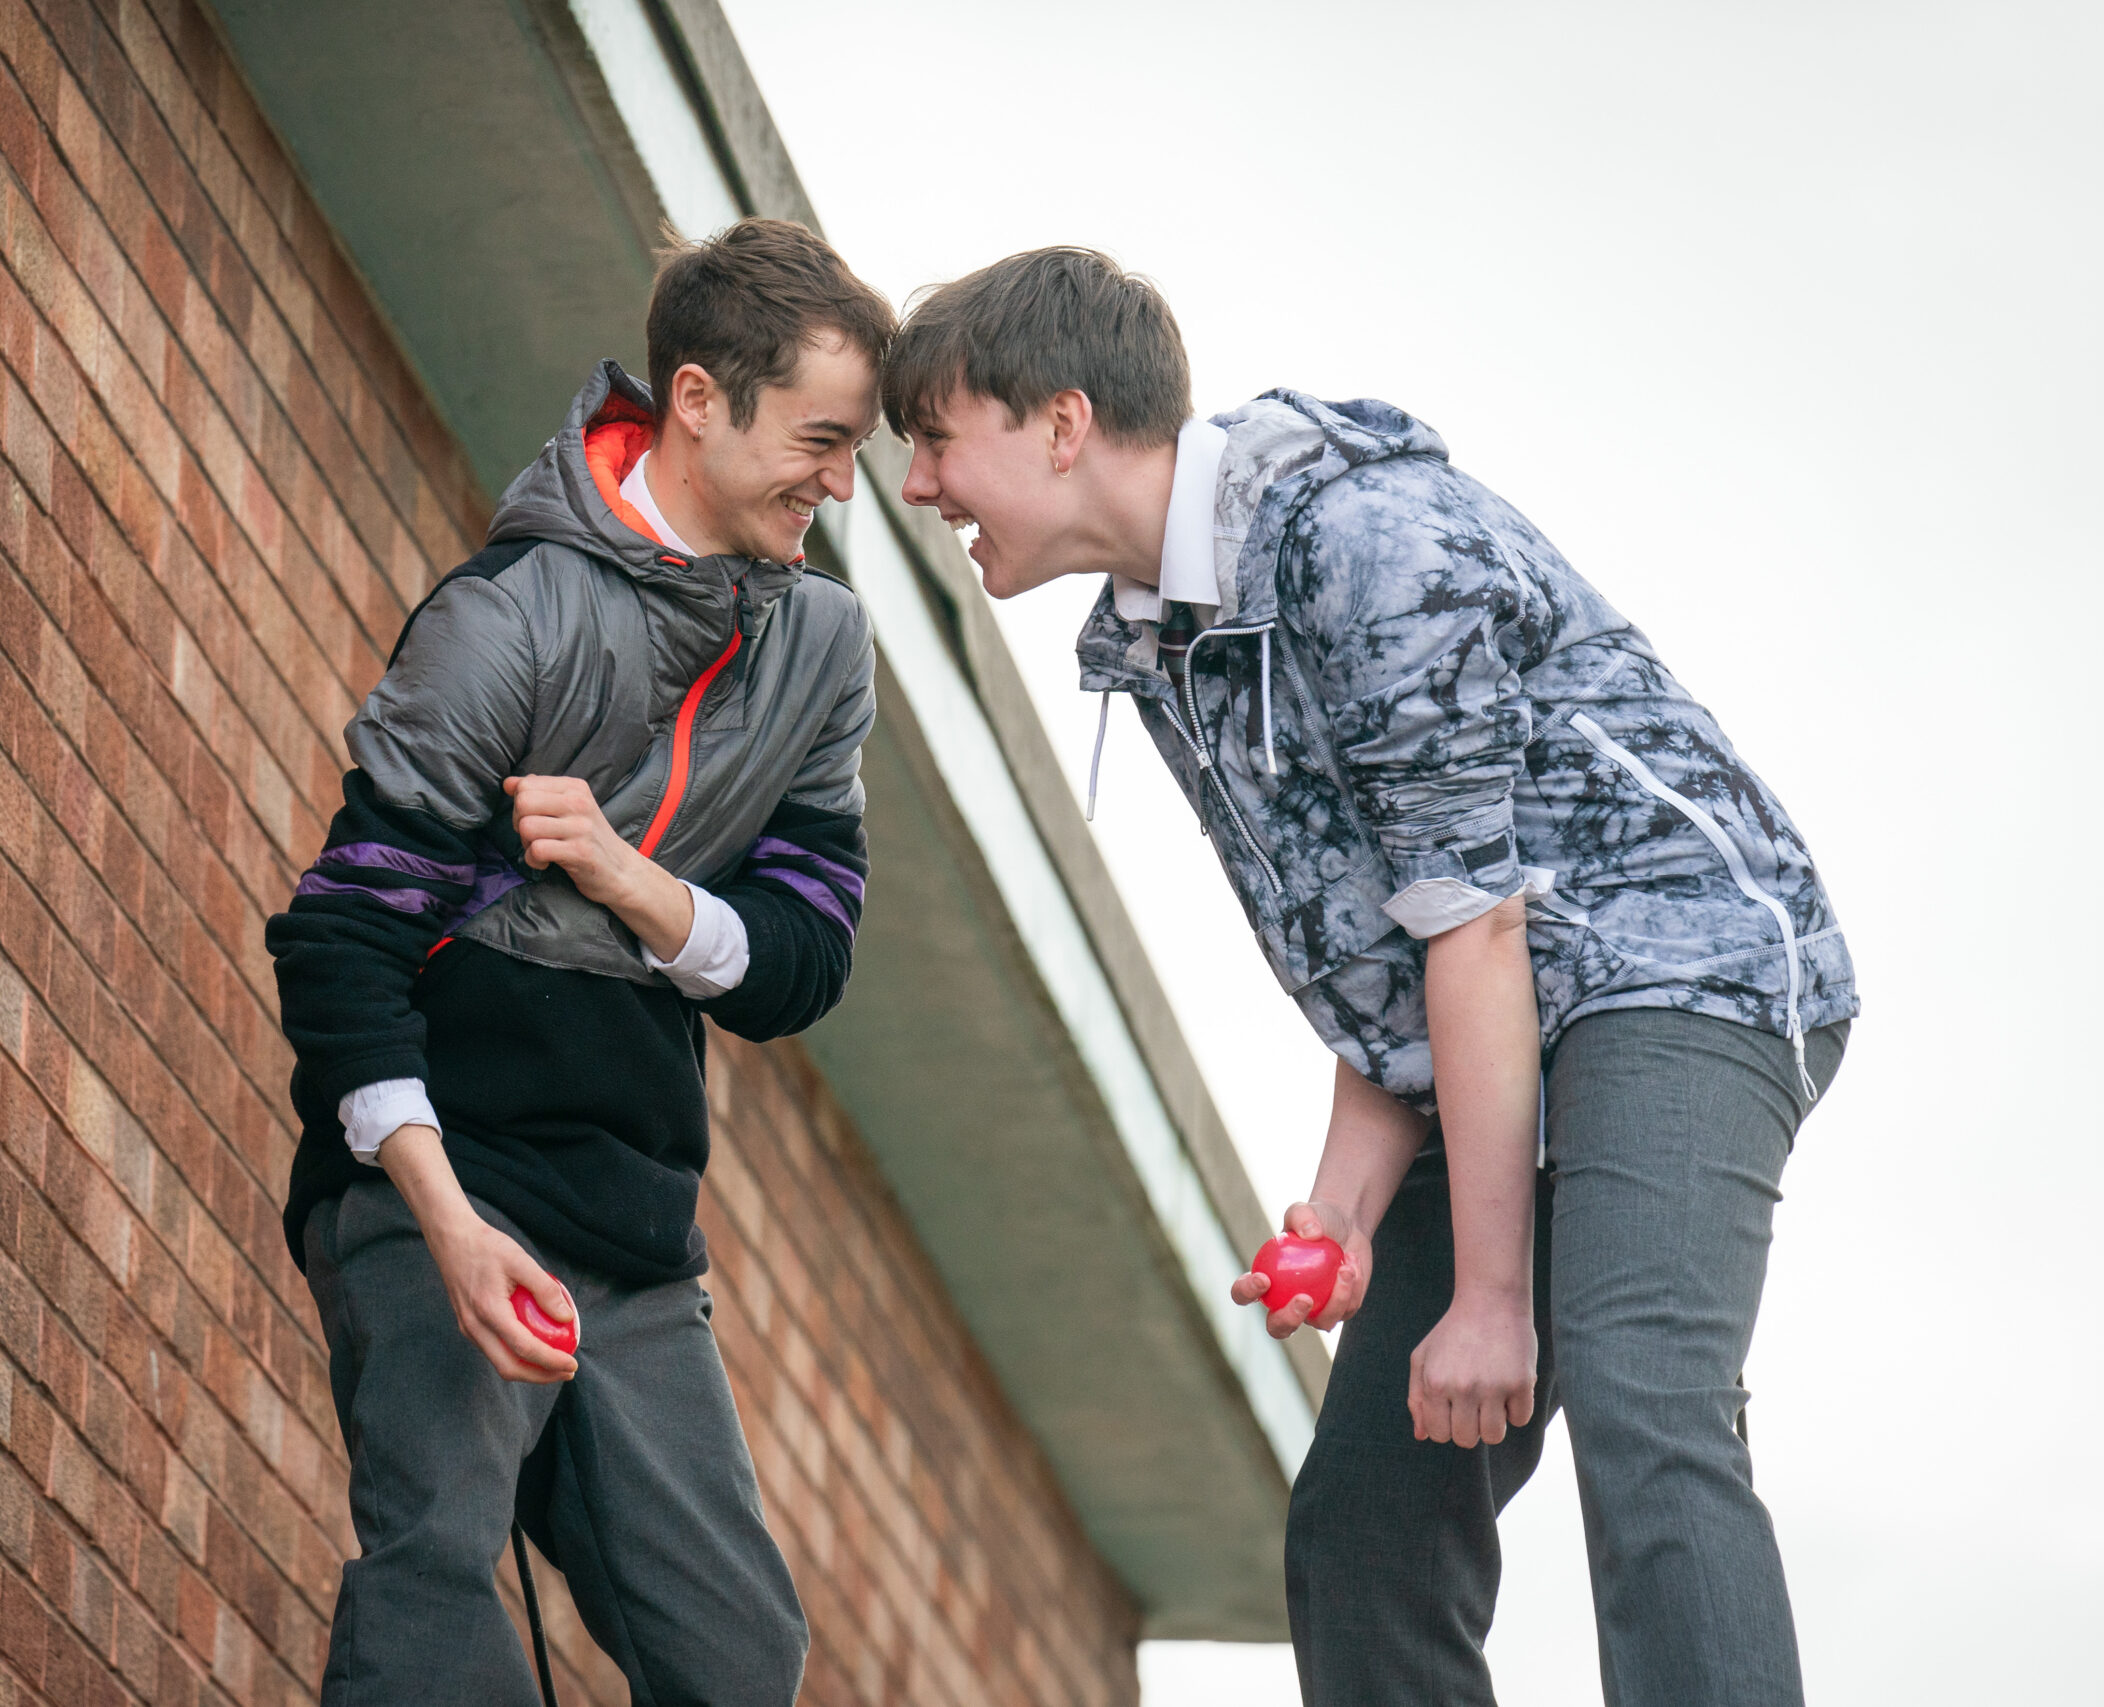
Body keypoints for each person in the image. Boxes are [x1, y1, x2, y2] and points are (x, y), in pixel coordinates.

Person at [882, 248, 1857, 1707]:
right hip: (1504, 1021)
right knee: (1367, 1528)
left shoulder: (1365, 543)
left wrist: (1486, 1297)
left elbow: (1471, 925)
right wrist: (1341, 1210)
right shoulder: (1174, 641)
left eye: (937, 440)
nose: (918, 487)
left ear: (1062, 423)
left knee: (1642, 1397)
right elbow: (1387, 945)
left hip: (1683, 961)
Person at [266, 218, 891, 1704]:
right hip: (445, 1192)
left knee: (742, 1657)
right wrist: (446, 1221)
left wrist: (628, 878)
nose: (843, 482)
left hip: (633, 1228)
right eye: (818, 436)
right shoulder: (507, 621)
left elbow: (800, 965)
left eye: (856, 447)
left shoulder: (821, 650)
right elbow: (340, 943)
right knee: (436, 1571)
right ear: (695, 401)